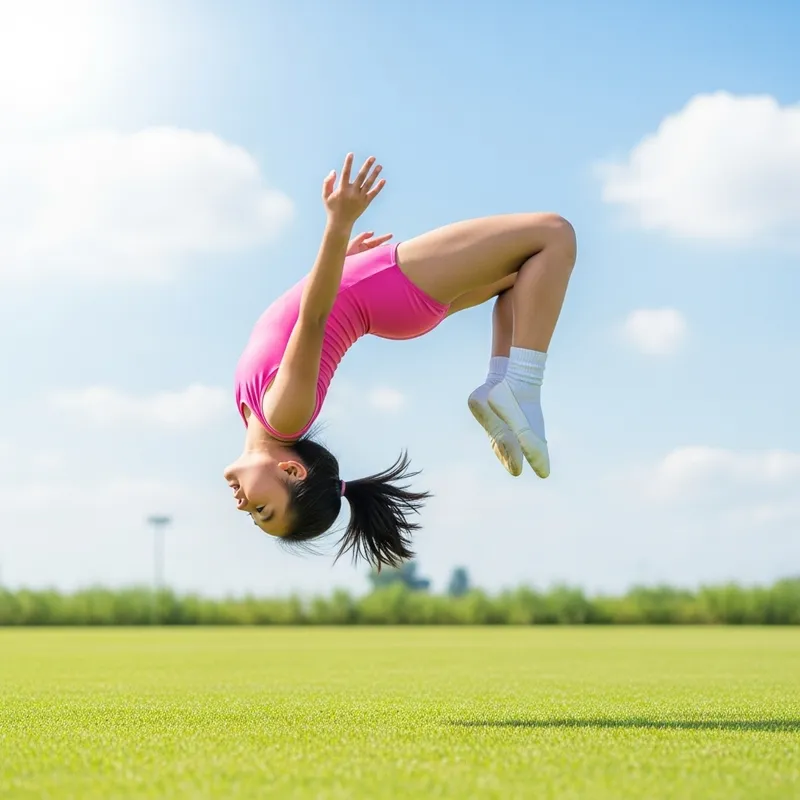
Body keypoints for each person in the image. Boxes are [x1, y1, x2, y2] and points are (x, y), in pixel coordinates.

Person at [224, 154, 577, 568]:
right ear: (293, 473)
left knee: (524, 274)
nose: (243, 507)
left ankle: (497, 382)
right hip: (389, 288)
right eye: (263, 510)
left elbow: (295, 318)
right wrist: (338, 225)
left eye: (254, 516)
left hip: (382, 295)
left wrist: (341, 259)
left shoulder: (254, 413)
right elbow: (313, 317)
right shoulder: (283, 417)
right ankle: (522, 385)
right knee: (554, 234)